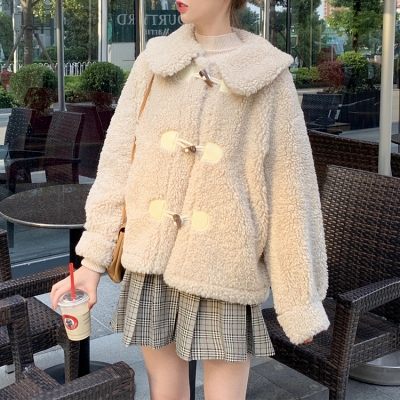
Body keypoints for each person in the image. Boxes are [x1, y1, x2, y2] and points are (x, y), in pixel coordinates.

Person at [51, 1, 330, 399]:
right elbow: (117, 164)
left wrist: (299, 301)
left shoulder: (267, 74)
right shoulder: (154, 63)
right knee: (165, 392)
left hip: (225, 266)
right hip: (154, 260)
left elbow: (291, 193)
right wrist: (92, 263)